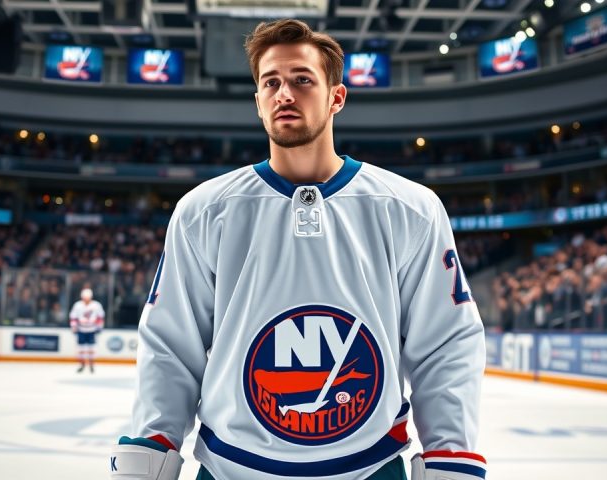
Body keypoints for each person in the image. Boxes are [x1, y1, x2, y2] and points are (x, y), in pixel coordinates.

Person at [111, 19, 486, 480]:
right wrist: (150, 449)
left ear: (336, 97)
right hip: (232, 470)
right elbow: (170, 345)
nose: (284, 94)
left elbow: (445, 344)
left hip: (368, 469)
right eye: (271, 83)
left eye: (302, 80)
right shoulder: (204, 211)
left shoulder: (409, 208)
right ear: (258, 102)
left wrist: (450, 455)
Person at [70, 287, 104, 373]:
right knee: (80, 348)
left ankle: (91, 364)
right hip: (81, 329)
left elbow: (100, 316)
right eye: (85, 298)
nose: (86, 300)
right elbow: (73, 317)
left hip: (92, 329)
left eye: (88, 298)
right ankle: (82, 364)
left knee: (92, 348)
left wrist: (99, 327)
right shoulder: (77, 305)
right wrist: (74, 326)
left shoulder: (96, 305)